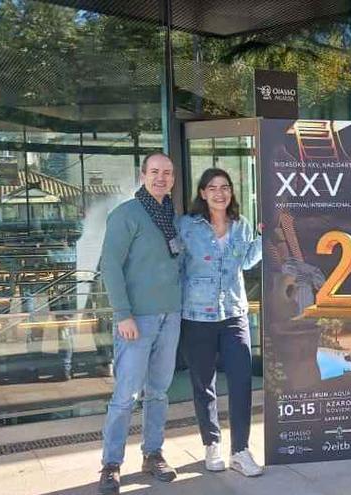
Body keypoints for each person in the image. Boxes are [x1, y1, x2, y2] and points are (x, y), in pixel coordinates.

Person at [97, 152, 183, 494]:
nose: (161, 177)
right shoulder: (126, 214)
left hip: (170, 316)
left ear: (173, 178)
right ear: (142, 175)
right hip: (136, 320)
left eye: (167, 172)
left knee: (158, 392)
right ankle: (111, 464)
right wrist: (123, 314)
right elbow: (110, 266)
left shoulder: (172, 216)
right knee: (125, 396)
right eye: (155, 171)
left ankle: (153, 454)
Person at [178, 167, 264, 477]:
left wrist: (263, 238)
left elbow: (247, 261)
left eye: (225, 187)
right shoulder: (186, 226)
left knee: (241, 381)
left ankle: (240, 450)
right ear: (202, 193)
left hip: (233, 315)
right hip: (196, 316)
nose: (219, 193)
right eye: (212, 188)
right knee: (204, 384)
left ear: (231, 192)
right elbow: (176, 265)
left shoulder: (241, 225)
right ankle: (211, 443)